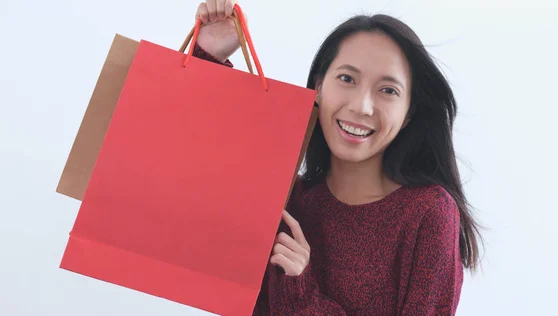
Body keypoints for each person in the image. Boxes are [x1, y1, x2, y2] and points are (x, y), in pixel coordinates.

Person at [193, 1, 482, 315]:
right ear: (318, 86)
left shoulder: (428, 214)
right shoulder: (288, 198)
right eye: (347, 79)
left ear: (410, 112)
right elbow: (201, 169)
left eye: (388, 90)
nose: (362, 106)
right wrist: (210, 54)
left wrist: (301, 291)